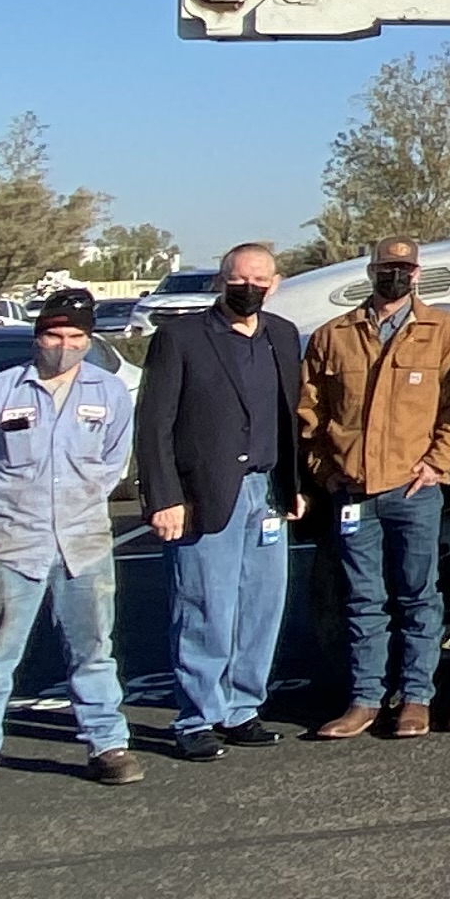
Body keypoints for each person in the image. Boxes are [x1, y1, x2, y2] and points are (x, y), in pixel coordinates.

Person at [0, 289, 141, 807]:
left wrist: (85, 498)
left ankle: (107, 745)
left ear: (89, 340)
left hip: (84, 542)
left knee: (93, 651)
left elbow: (115, 461)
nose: (64, 346)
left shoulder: (109, 393)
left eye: (76, 338)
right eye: (54, 335)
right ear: (37, 336)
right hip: (10, 544)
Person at [137, 239, 309, 762]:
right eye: (240, 280)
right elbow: (155, 425)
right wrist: (164, 497)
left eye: (261, 281)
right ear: (220, 280)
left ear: (275, 285)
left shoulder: (282, 336)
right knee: (205, 606)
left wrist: (294, 485)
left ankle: (241, 708)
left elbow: (287, 417)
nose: (250, 288)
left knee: (261, 607)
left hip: (268, 491)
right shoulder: (180, 338)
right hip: (204, 494)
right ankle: (196, 716)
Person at [298, 238, 450, 739]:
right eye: (385, 268)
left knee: (420, 595)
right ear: (370, 271)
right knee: (361, 599)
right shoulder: (334, 336)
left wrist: (436, 465)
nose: (394, 276)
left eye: (403, 268)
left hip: (414, 491)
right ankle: (364, 699)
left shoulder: (444, 333)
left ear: (417, 274)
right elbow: (310, 414)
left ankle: (418, 698)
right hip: (354, 493)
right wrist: (325, 471)